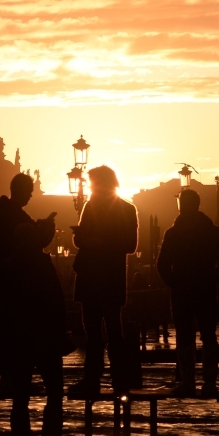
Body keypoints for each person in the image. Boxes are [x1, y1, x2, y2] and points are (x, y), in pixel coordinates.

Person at [0, 223, 75, 436]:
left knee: (20, 399)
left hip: (17, 341)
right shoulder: (42, 265)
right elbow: (56, 303)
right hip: (45, 338)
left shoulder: (6, 268)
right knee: (55, 393)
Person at [156, 189, 219, 397]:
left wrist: (173, 282)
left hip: (182, 291)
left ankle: (188, 382)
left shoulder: (173, 233)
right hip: (205, 290)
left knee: (184, 337)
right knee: (208, 336)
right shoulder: (212, 232)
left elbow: (162, 265)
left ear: (182, 205)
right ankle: (209, 382)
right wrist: (211, 279)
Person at [70, 166, 139, 394]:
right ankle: (118, 378)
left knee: (98, 331)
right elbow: (130, 245)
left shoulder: (92, 207)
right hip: (110, 277)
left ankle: (94, 378)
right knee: (110, 330)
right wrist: (82, 237)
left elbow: (129, 245)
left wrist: (95, 241)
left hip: (95, 275)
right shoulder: (127, 209)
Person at [0, 172, 56, 265]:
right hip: (19, 271)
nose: (30, 195)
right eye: (29, 191)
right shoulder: (16, 215)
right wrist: (48, 227)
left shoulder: (3, 212)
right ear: (22, 191)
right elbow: (36, 243)